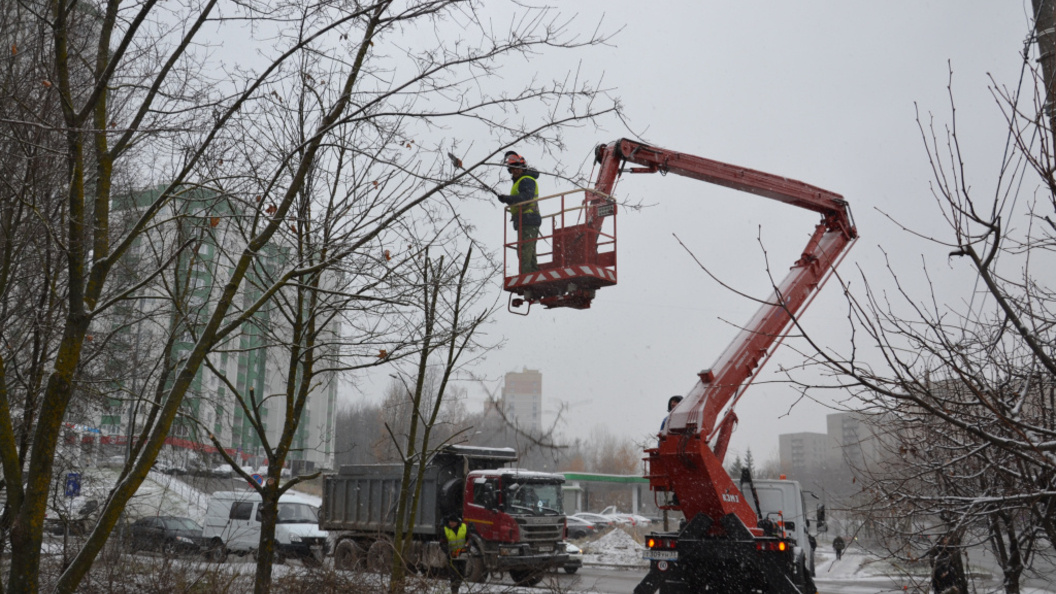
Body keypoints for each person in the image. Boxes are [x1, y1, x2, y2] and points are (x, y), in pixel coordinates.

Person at [494, 151, 541, 274]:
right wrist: (507, 199)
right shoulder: (520, 181)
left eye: (517, 168)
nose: (515, 171)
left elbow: (526, 198)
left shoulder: (526, 180)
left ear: (522, 168)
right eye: (512, 169)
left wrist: (508, 199)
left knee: (524, 251)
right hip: (525, 219)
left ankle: (527, 277)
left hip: (529, 218)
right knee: (528, 251)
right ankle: (532, 274)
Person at [440, 514, 469, 594]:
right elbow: (442, 543)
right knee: (453, 574)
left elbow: (470, 539)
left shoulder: (464, 527)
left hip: (462, 555)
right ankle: (454, 590)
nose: (450, 523)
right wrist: (449, 552)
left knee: (461, 574)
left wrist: (467, 546)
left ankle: (457, 587)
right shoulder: (445, 529)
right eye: (450, 522)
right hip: (452, 556)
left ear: (457, 522)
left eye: (452, 522)